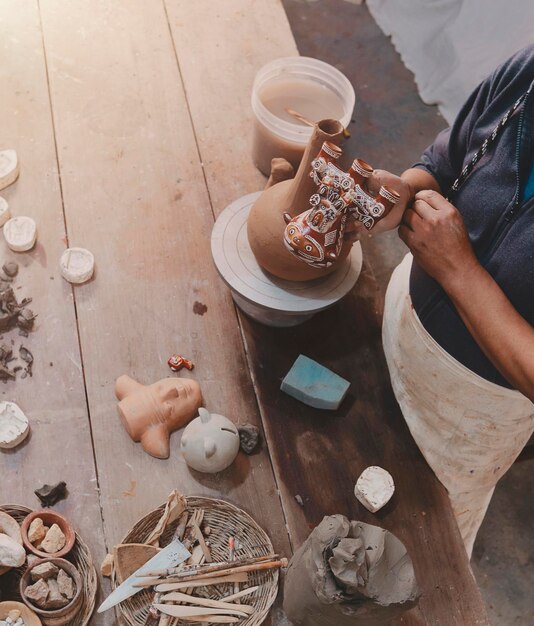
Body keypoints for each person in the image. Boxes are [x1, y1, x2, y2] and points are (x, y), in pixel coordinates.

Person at [357, 44, 534, 556]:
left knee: (409, 560)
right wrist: (404, 190)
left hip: (467, 422)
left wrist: (460, 272)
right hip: (398, 324)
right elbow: (448, 160)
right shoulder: (527, 72)